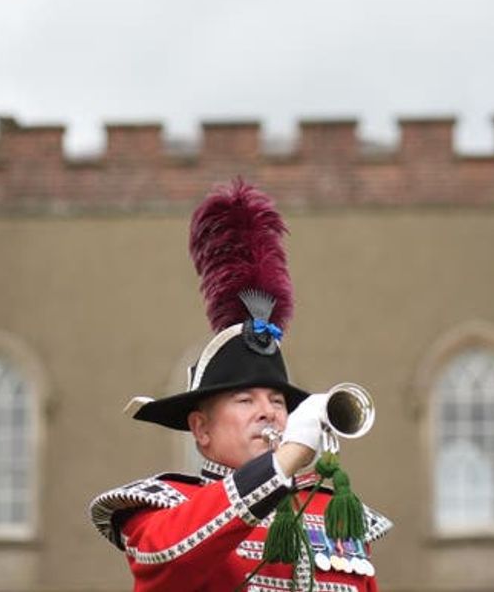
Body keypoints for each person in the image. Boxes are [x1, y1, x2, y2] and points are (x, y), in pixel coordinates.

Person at [90, 180, 392, 591]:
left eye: (277, 400)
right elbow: (163, 556)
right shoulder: (162, 504)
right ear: (201, 429)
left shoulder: (336, 512)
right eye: (245, 399)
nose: (267, 411)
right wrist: (280, 466)